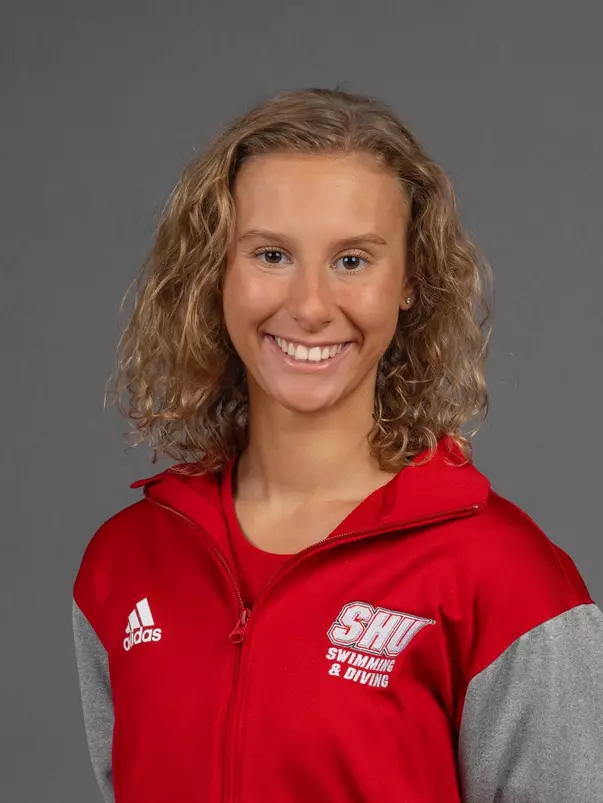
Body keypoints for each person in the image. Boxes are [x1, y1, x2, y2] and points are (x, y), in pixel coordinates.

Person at [72, 87, 603, 803]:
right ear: (214, 273)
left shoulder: (505, 580)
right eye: (270, 254)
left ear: (409, 281)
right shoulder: (126, 563)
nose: (311, 305)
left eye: (352, 260)